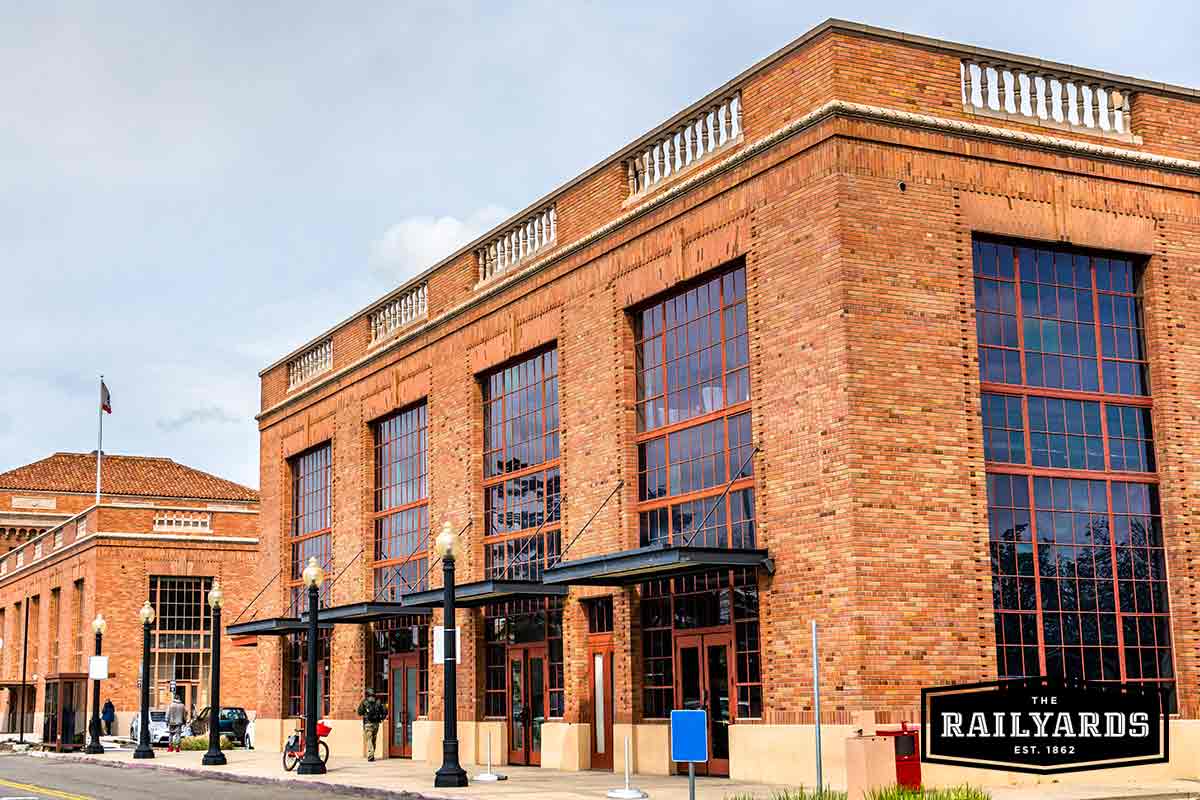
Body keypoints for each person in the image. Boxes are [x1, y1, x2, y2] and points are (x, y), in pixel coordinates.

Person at [355, 688, 387, 762]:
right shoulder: (378, 701)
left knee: (369, 739)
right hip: (376, 724)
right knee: (373, 739)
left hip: (367, 723)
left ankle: (370, 755)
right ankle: (372, 754)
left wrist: (365, 713)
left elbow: (359, 712)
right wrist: (382, 718)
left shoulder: (364, 702)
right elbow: (384, 711)